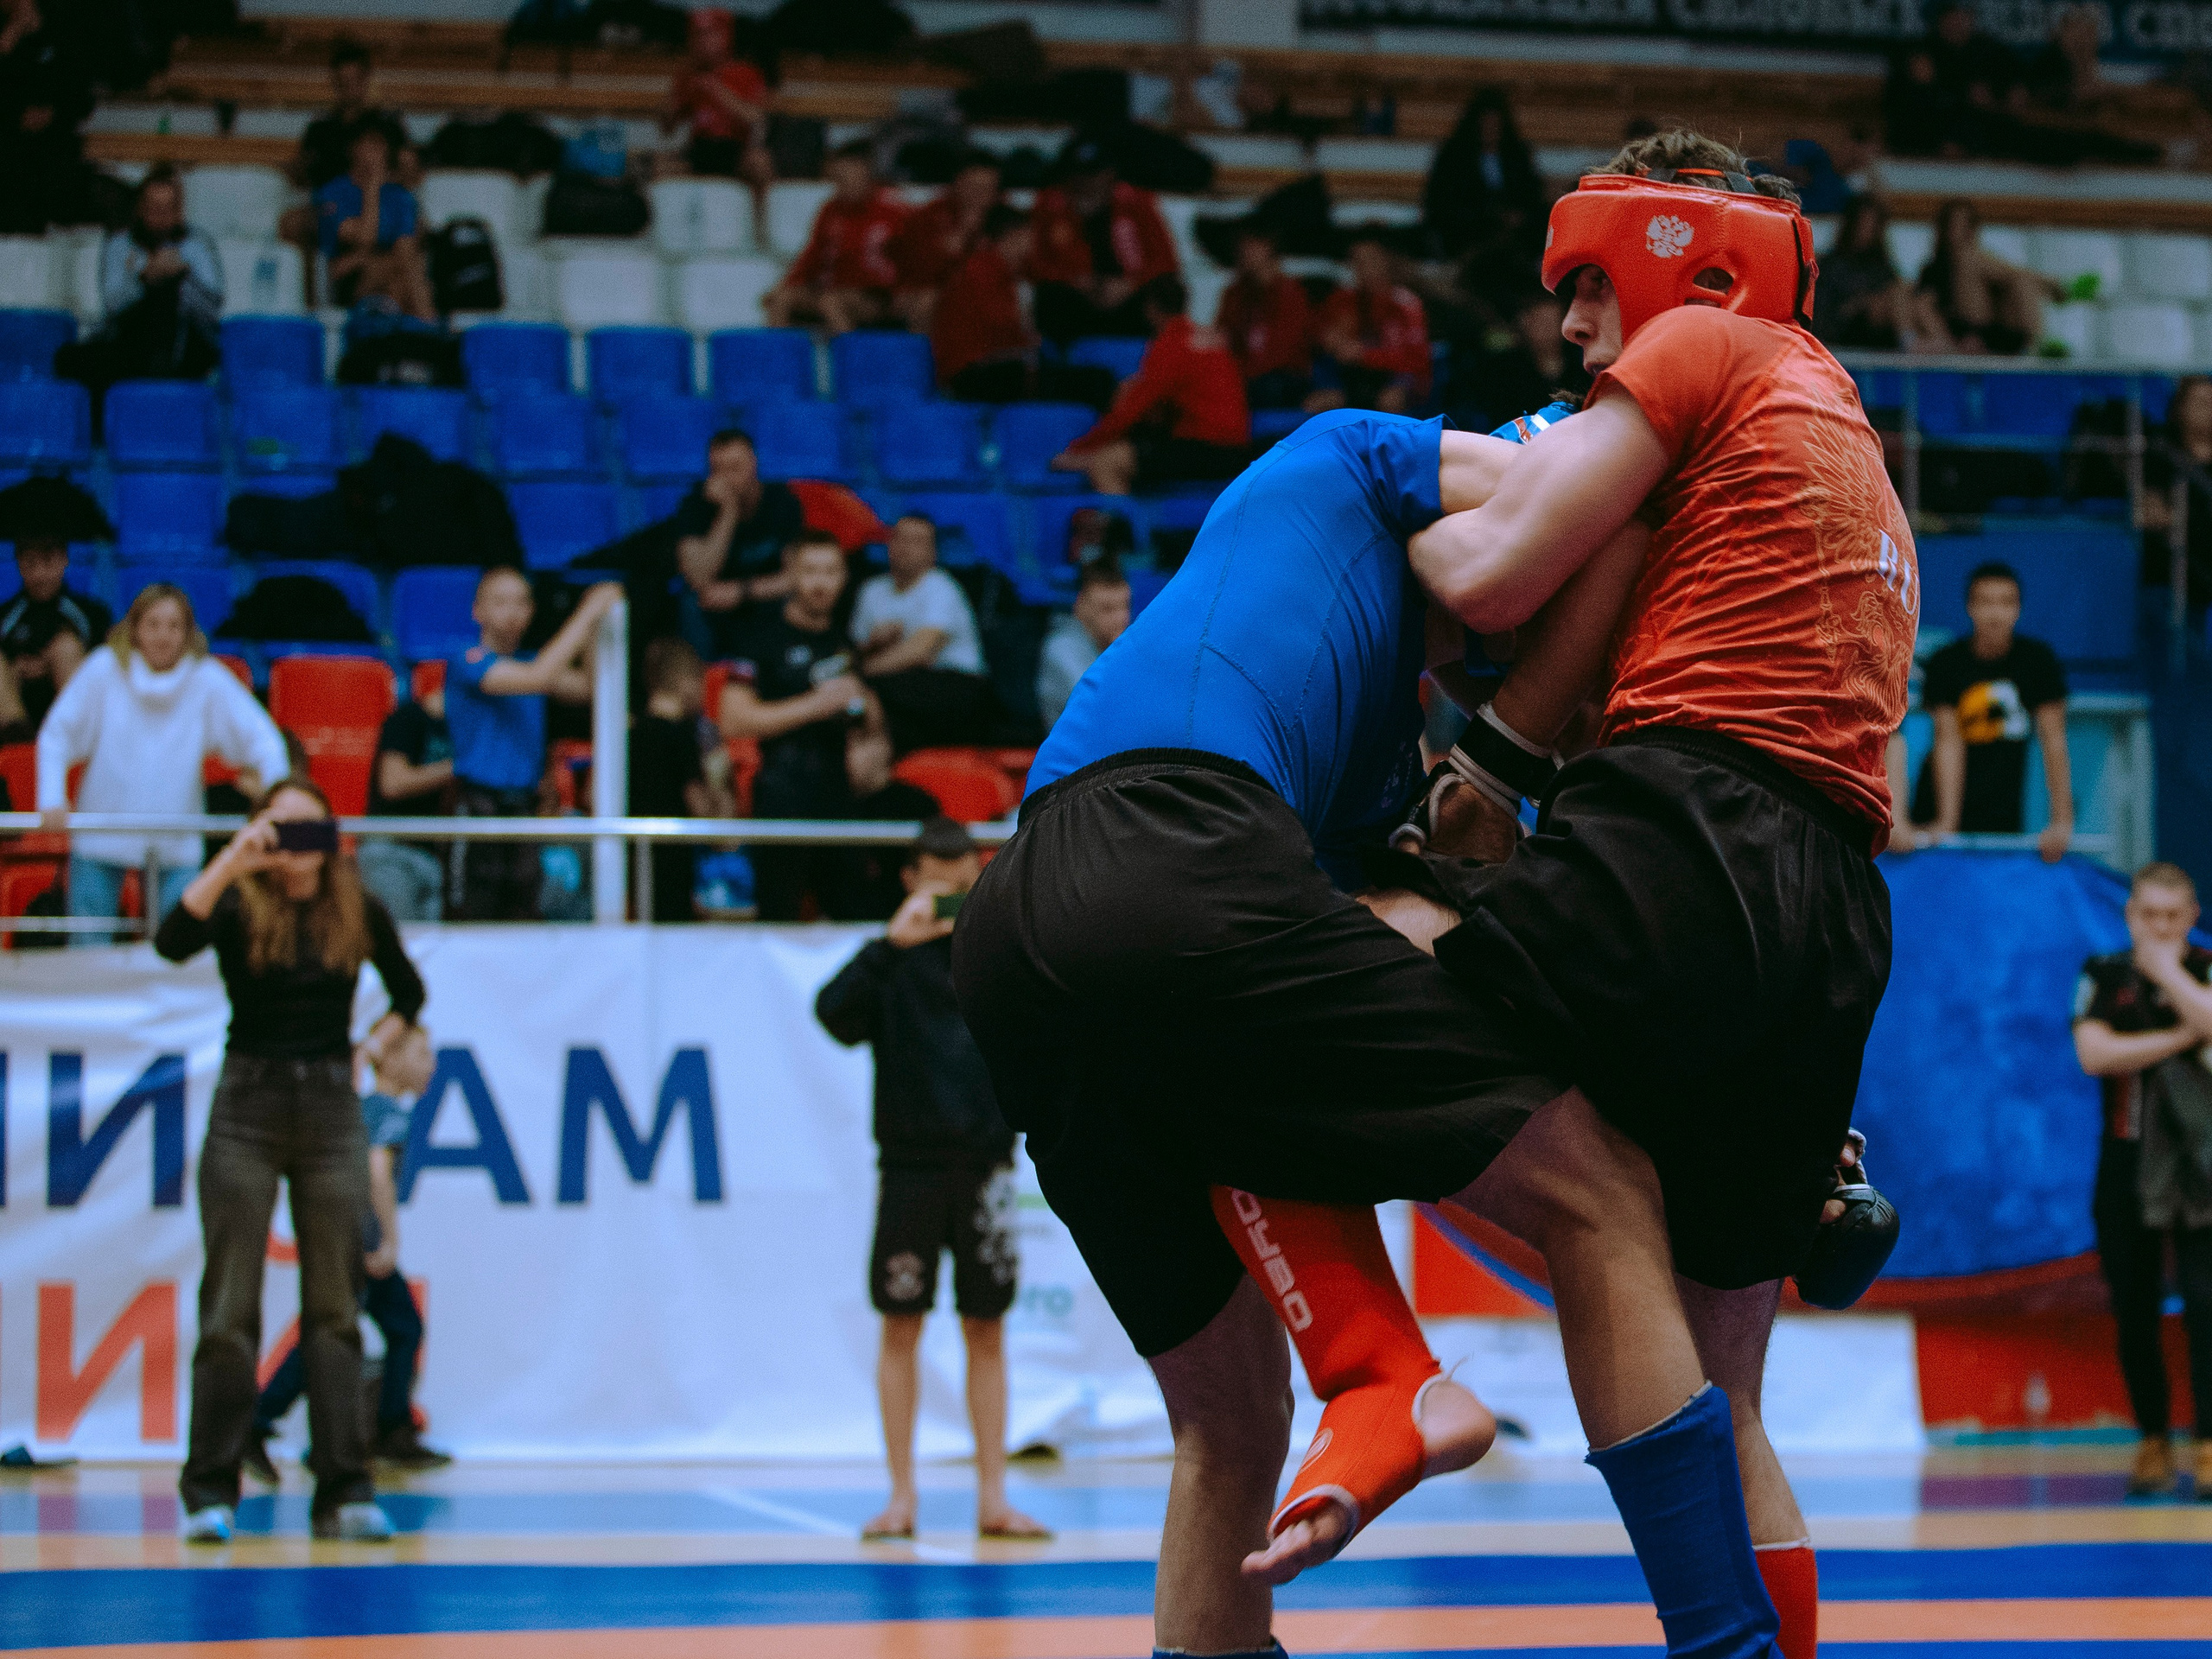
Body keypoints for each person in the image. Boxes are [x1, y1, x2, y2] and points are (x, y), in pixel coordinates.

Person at [957, 132, 1908, 1659]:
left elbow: (1552, 574)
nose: (1576, 331)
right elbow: (1539, 543)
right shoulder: (1360, 453)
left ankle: (1372, 1375)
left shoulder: (1350, 729)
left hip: (1026, 931)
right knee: (1604, 1198)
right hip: (1805, 890)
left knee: (1223, 1427)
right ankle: (1409, 1395)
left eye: (1594, 292)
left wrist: (1484, 769)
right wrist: (1516, 737)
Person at [158, 778, 427, 1544]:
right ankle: (210, 1491)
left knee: (335, 1310)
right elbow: (171, 940)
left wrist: (375, 1045)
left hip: (330, 1110)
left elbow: (410, 989)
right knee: (229, 1310)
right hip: (247, 1104)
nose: (296, 851)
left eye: (310, 833)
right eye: (283, 832)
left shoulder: (355, 906)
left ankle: (344, 1488)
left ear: (333, 839)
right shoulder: (241, 902)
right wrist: (235, 862)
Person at [815, 816, 1050, 1545]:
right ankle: (901, 1496)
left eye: (963, 885)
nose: (949, 898)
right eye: (937, 883)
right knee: (901, 1323)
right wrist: (893, 943)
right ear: (912, 878)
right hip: (910, 1168)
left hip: (984, 1165)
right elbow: (832, 1014)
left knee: (988, 1327)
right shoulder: (888, 963)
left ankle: (992, 1497)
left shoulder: (996, 959)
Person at [248, 1023, 450, 1481]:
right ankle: (261, 1421)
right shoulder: (387, 1112)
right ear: (392, 1060)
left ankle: (389, 1428)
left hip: (341, 1236)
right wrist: (387, 1241)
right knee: (340, 1334)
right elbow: (378, 1173)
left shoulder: (360, 1107)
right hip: (360, 1245)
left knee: (394, 1327)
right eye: (420, 1054)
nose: (431, 1064)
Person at [37, 585, 289, 944]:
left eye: (174, 626)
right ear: (135, 628)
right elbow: (57, 734)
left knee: (176, 946)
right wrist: (51, 798)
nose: (163, 636)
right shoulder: (104, 669)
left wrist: (276, 809)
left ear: (188, 633)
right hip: (101, 833)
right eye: (153, 624)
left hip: (176, 836)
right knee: (86, 948)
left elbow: (265, 742)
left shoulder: (207, 678)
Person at [2072, 861, 2212, 1502]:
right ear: (2130, 915)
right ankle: (2154, 1441)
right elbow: (2095, 1054)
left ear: (2192, 918)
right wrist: (2184, 1034)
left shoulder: (2204, 968)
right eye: (2147, 915)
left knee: (2207, 1309)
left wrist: (2170, 977)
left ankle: (2208, 1444)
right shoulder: (2103, 973)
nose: (2159, 927)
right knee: (2135, 1311)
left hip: (2199, 1169)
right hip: (2124, 1164)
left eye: (2172, 916)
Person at [446, 572, 621, 921]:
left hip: (525, 807)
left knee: (524, 911)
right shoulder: (467, 660)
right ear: (477, 611)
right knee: (472, 914)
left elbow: (586, 688)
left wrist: (593, 630)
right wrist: (586, 613)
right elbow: (536, 679)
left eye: (521, 602)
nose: (512, 612)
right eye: (500, 602)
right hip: (479, 805)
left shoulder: (532, 663)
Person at [717, 531, 870, 920]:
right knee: (778, 915)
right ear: (791, 575)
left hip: (839, 793)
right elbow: (733, 719)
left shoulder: (842, 641)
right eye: (811, 571)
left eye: (831, 571)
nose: (821, 583)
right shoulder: (759, 638)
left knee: (850, 915)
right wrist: (814, 705)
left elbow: (854, 717)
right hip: (783, 792)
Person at [1896, 562, 2072, 860]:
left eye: (2006, 603)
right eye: (1986, 602)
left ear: (2018, 608)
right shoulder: (1946, 663)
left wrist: (2062, 822)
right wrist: (1946, 822)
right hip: (1937, 804)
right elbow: (1947, 743)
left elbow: (2053, 741)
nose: (1995, 613)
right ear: (1970, 607)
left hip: (2004, 804)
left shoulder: (2038, 662)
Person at [1052, 276, 1251, 497]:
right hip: (1235, 448)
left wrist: (1079, 449)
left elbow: (1133, 409)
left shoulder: (1172, 344)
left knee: (1105, 464)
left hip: (1205, 448)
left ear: (1150, 309)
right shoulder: (1207, 338)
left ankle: (1120, 531)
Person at [50, 165, 223, 407]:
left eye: (168, 209)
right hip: (130, 344)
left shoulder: (198, 245)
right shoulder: (119, 246)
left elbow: (212, 310)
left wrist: (183, 278)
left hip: (185, 346)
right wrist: (143, 279)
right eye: (154, 208)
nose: (161, 217)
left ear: (179, 211)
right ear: (141, 208)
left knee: (167, 299)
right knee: (69, 359)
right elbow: (112, 305)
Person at [929, 206, 1117, 408]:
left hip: (992, 368)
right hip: (974, 374)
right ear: (1013, 237)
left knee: (1090, 378)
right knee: (1092, 381)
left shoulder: (1005, 275)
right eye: (1025, 238)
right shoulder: (980, 272)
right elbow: (999, 326)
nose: (1029, 247)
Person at [851, 515, 994, 753]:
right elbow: (854, 650)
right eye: (900, 538)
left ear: (932, 552)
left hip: (955, 687)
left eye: (917, 541)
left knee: (869, 692)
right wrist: (873, 644)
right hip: (901, 689)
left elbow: (919, 651)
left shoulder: (941, 586)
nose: (906, 547)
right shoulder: (871, 591)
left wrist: (858, 673)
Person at [1027, 137, 1179, 346]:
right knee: (1050, 298)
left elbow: (1165, 261)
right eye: (1079, 174)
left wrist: (1131, 284)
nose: (1086, 183)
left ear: (1110, 174)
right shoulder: (1050, 206)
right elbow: (1034, 262)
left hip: (1129, 297)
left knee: (1168, 290)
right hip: (1076, 300)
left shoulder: (1136, 204)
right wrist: (1074, 280)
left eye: (1094, 174)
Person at [671, 428, 809, 652]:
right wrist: (728, 512)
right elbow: (697, 578)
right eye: (719, 470)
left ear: (753, 464)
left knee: (796, 600)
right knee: (690, 603)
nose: (728, 478)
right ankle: (702, 680)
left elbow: (796, 576)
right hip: (715, 605)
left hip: (765, 598)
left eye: (735, 468)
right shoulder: (695, 506)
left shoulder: (783, 503)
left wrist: (741, 591)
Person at [631, 636, 734, 922]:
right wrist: (719, 780)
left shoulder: (629, 733)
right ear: (685, 680)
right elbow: (701, 811)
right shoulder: (683, 736)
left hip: (631, 862)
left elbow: (593, 795)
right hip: (671, 859)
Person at [0, 476, 111, 738]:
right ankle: (18, 745)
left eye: (47, 562)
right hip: (15, 717)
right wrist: (18, 669)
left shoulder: (91, 613)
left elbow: (106, 671)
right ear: (18, 564)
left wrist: (51, 661)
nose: (39, 574)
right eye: (30, 563)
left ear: (64, 560)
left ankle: (74, 745)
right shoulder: (6, 615)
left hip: (72, 723)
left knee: (66, 648)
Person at [762, 140, 907, 334]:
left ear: (866, 174)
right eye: (838, 180)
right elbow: (813, 254)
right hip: (831, 289)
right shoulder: (831, 210)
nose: (842, 186)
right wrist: (786, 284)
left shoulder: (892, 210)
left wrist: (900, 292)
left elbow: (909, 256)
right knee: (780, 298)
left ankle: (852, 359)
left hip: (875, 295)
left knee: (831, 303)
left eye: (847, 179)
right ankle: (781, 359)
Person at [667, 6, 773, 251]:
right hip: (700, 148)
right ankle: (672, 236)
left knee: (760, 164)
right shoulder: (686, 75)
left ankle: (761, 233)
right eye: (698, 35)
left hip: (734, 148)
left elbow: (757, 118)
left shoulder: (746, 72)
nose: (704, 42)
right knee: (661, 168)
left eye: (712, 34)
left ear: (726, 37)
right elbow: (667, 129)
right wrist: (674, 102)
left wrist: (717, 90)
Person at [315, 123, 435, 323]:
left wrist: (365, 256)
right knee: (404, 271)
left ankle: (406, 333)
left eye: (380, 146)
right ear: (353, 149)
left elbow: (405, 248)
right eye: (369, 145)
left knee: (401, 277)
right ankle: (429, 327)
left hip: (393, 273)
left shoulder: (399, 196)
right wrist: (372, 189)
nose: (375, 153)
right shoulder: (333, 193)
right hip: (348, 278)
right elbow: (364, 238)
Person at [1909, 200, 2062, 358]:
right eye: (1958, 224)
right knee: (1977, 261)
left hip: (1993, 330)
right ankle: (2053, 284)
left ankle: (2037, 346)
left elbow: (2012, 277)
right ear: (1945, 229)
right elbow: (1923, 308)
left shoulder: (1981, 261)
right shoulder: (1935, 269)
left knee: (2023, 281)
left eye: (1969, 224)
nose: (1964, 230)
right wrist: (1949, 344)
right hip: (1964, 332)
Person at [358, 667, 452, 923]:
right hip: (392, 849)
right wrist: (459, 766)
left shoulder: (476, 733)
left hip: (438, 856)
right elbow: (393, 783)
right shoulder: (409, 718)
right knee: (401, 943)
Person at [1420, 86, 1546, 270]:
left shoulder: (1517, 156)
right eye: (1485, 124)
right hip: (1471, 233)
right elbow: (1443, 204)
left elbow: (1531, 195)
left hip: (1514, 236)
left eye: (1495, 125)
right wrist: (1492, 215)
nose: (1490, 130)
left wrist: (1517, 216)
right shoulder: (1454, 157)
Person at [0, 0, 96, 235]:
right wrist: (6, 44)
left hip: (54, 149)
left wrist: (53, 113)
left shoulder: (63, 28)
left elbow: (83, 97)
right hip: (9, 149)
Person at [1313, 229, 1432, 413]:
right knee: (1324, 400)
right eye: (1357, 261)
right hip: (1354, 376)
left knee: (1391, 400)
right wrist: (1332, 341)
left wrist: (1365, 355)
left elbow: (1416, 361)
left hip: (1394, 377)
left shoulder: (1406, 304)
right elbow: (1324, 341)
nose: (1363, 267)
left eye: (1370, 259)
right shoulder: (1342, 300)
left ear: (1385, 261)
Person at [836, 722, 944, 919]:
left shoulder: (918, 804)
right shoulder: (830, 807)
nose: (847, 755)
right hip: (842, 924)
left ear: (886, 746)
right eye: (844, 745)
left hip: (915, 917)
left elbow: (945, 884)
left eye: (859, 744)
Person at [890, 149, 1001, 332]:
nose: (980, 196)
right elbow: (916, 270)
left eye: (987, 189)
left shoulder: (1006, 219)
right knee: (924, 301)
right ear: (957, 184)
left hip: (991, 290)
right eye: (974, 188)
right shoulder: (930, 217)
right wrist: (952, 245)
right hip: (943, 290)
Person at [1215, 225, 1315, 410]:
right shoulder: (1235, 294)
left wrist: (1240, 375)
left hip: (1282, 377)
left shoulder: (1291, 294)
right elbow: (1224, 337)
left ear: (1270, 249)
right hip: (1245, 375)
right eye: (1244, 246)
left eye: (1254, 246)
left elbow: (1285, 351)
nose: (1247, 252)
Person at [2143, 376, 2212, 615]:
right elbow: (2150, 514)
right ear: (2180, 407)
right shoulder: (2159, 456)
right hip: (2170, 583)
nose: (2208, 409)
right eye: (2201, 401)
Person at [1812, 194, 1913, 353]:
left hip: (1880, 330)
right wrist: (1861, 304)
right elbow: (1824, 313)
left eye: (1872, 224)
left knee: (1912, 298)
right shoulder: (1831, 264)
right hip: (1846, 329)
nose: (1867, 230)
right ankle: (1909, 343)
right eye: (1863, 223)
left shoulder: (1880, 265)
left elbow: (1894, 290)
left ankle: (1918, 343)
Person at [1036, 563, 1131, 730]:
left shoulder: (1114, 647)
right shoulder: (1060, 647)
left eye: (1124, 606)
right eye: (1107, 609)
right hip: (1071, 754)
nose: (1120, 618)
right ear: (1080, 605)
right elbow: (1101, 707)